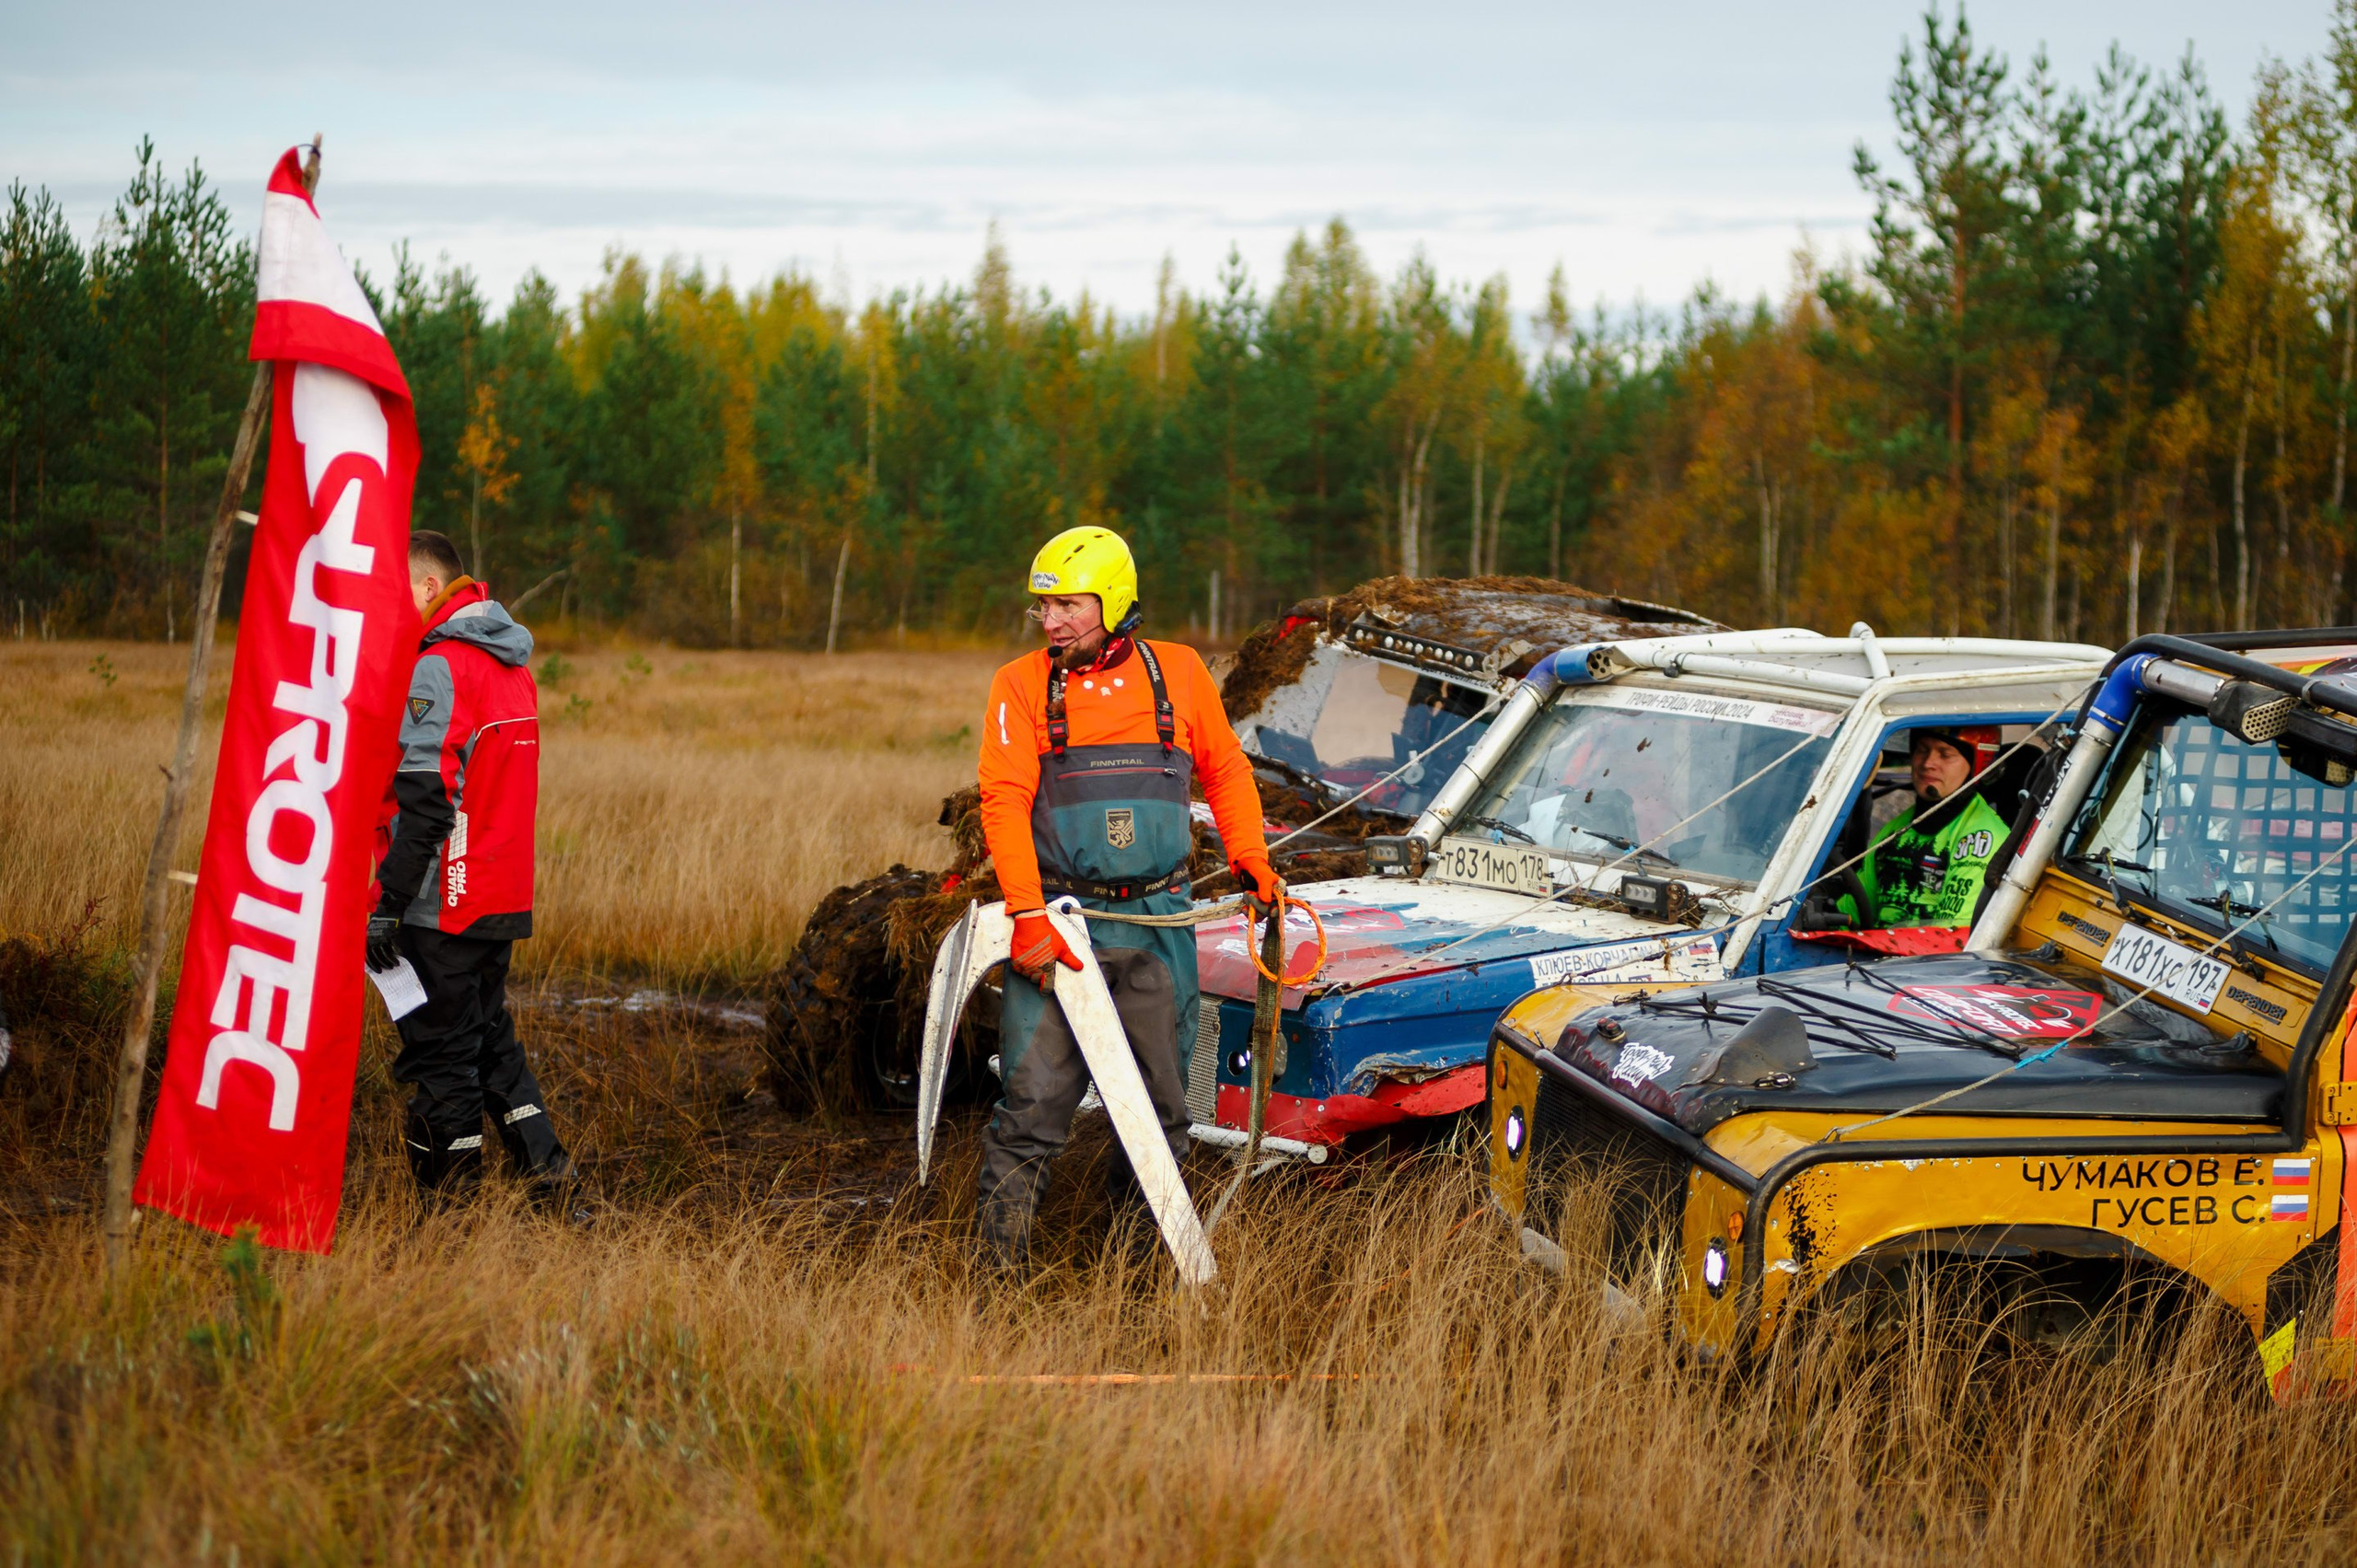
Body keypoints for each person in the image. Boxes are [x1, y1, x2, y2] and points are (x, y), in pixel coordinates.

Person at [972, 526, 1281, 1271]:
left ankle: (1133, 1277)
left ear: (1111, 601)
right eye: (1042, 609)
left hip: (1161, 924)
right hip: (1061, 928)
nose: (1051, 623)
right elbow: (1002, 801)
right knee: (1032, 1107)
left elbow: (1228, 771)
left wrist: (1253, 861)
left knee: (1159, 1115)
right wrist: (1025, 917)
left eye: (1068, 606)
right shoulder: (1019, 684)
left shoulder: (1177, 674)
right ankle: (994, 1280)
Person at [366, 529, 572, 1197]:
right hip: (500, 897)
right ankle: (553, 1183)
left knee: (446, 1061)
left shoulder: (443, 664)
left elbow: (428, 798)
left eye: (400, 590)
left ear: (430, 587)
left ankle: (450, 1221)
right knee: (492, 1048)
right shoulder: (513, 665)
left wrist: (389, 900)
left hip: (446, 903)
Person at [1841, 726, 2012, 930]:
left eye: (1945, 754)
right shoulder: (1896, 830)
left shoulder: (1983, 840)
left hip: (1924, 960)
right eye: (1922, 750)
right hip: (1874, 956)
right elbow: (1850, 913)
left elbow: (1952, 937)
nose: (1928, 763)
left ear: (1978, 765)